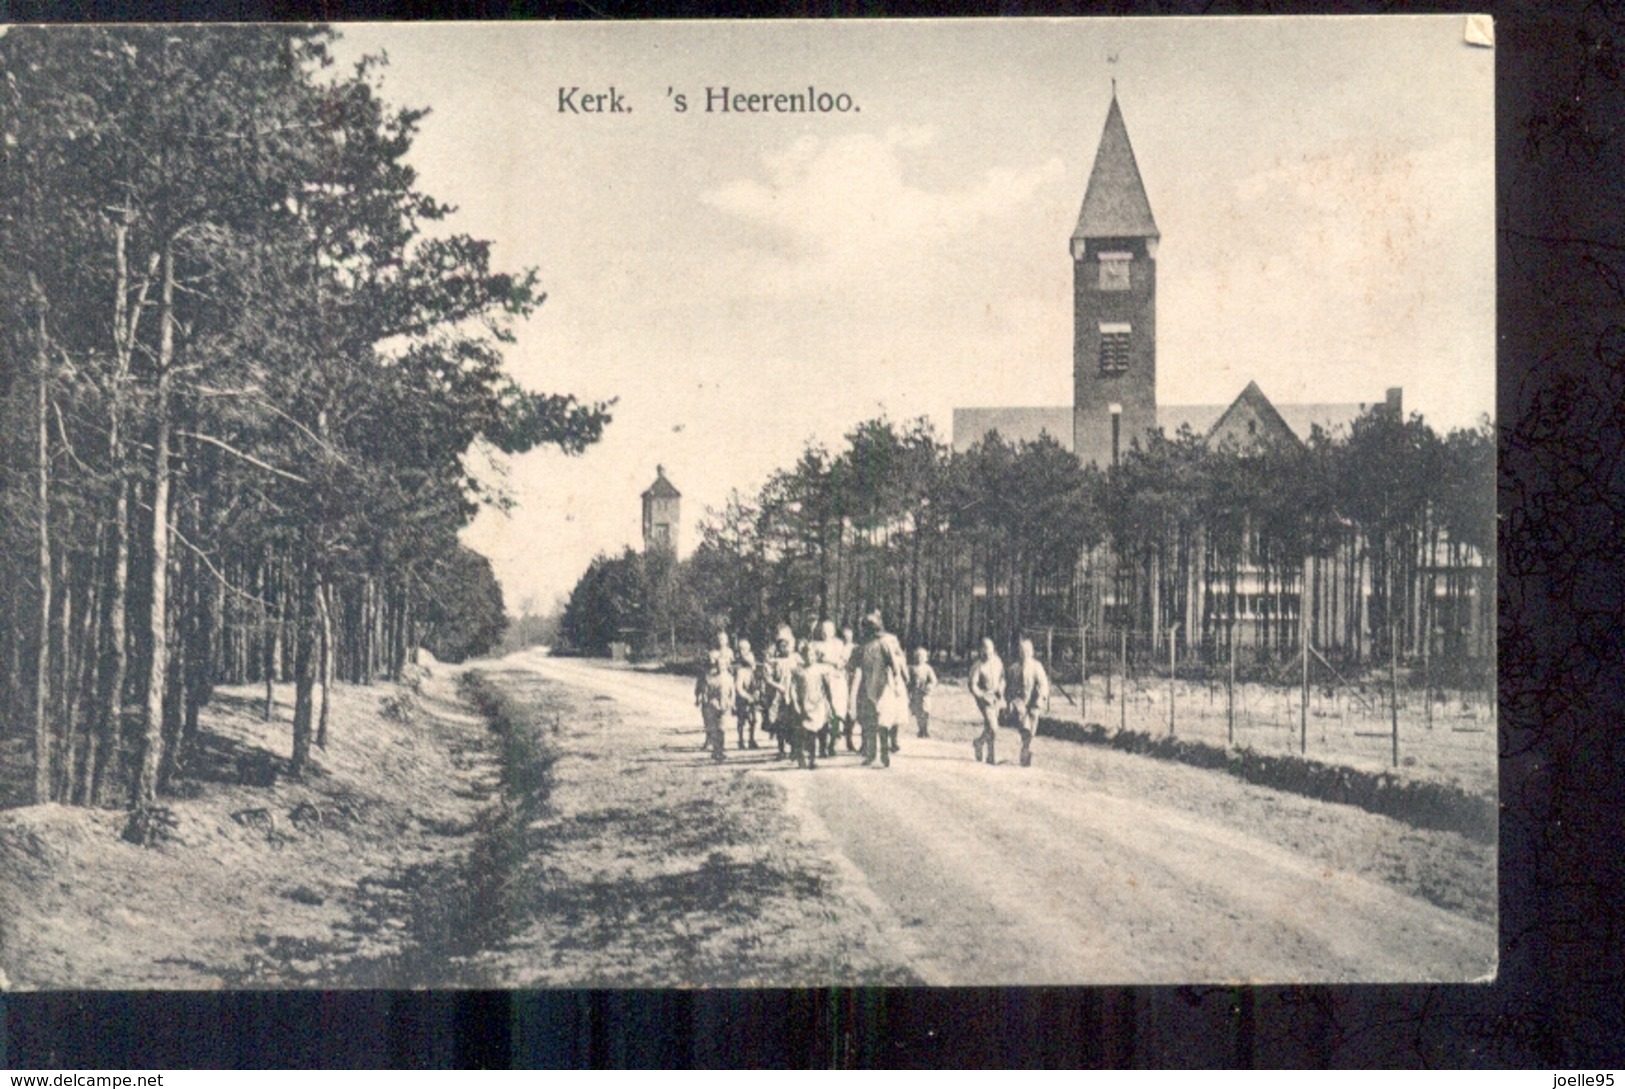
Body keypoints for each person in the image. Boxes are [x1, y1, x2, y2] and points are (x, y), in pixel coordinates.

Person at [852, 610, 908, 768]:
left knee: (882, 721)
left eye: (871, 627)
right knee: (869, 721)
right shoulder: (863, 646)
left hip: (883, 685)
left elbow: (894, 664)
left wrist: (897, 681)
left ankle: (884, 752)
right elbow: (854, 664)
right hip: (866, 684)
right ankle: (871, 754)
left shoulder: (884, 643)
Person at [1004, 638, 1050, 767]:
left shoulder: (1036, 667)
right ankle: (1026, 747)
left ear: (1031, 652)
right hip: (1019, 702)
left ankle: (1026, 749)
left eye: (1027, 651)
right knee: (1024, 725)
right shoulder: (1014, 668)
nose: (1024, 654)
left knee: (1033, 722)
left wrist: (1041, 698)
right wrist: (1009, 702)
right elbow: (1008, 688)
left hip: (1034, 701)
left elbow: (1043, 684)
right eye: (1021, 651)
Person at [787, 642, 833, 770]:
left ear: (816, 656)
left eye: (812, 654)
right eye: (807, 655)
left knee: (817, 731)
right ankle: (805, 758)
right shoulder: (798, 671)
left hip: (818, 704)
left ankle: (815, 757)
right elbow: (793, 688)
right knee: (806, 732)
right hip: (804, 705)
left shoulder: (820, 670)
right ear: (802, 656)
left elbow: (827, 688)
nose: (810, 657)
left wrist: (829, 703)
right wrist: (795, 702)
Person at [758, 627, 796, 760]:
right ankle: (781, 749)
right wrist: (778, 686)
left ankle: (794, 749)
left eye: (787, 646)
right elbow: (767, 678)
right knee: (780, 723)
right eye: (781, 646)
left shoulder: (795, 659)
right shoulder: (772, 662)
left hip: (792, 695)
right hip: (777, 696)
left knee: (793, 722)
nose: (784, 649)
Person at [967, 637, 1005, 765]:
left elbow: (1003, 678)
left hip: (997, 697)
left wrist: (1001, 687)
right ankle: (991, 755)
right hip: (985, 699)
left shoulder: (998, 662)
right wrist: (981, 696)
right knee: (993, 727)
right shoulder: (977, 666)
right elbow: (972, 685)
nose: (987, 654)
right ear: (980, 651)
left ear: (993, 649)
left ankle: (980, 744)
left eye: (990, 651)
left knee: (990, 726)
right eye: (985, 651)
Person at [812, 620, 847, 758]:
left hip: (836, 681)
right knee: (822, 713)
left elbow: (843, 661)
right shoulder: (814, 645)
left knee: (837, 713)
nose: (826, 632)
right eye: (823, 629)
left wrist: (833, 662)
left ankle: (832, 744)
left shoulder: (838, 644)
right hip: (819, 680)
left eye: (829, 629)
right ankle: (822, 746)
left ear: (833, 631)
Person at [694, 647, 735, 763]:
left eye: (723, 665)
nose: (720, 667)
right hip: (712, 706)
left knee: (722, 729)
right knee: (714, 729)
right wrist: (704, 700)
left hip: (725, 705)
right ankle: (716, 750)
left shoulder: (730, 678)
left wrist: (732, 703)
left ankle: (720, 751)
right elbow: (704, 691)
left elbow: (733, 692)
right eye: (718, 664)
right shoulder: (708, 677)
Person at [732, 638, 760, 750]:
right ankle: (741, 740)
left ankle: (752, 739)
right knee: (741, 719)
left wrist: (756, 693)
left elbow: (758, 681)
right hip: (741, 696)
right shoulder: (738, 668)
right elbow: (737, 686)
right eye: (740, 649)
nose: (742, 651)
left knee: (754, 718)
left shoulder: (753, 667)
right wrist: (746, 696)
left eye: (744, 649)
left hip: (752, 695)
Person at [906, 647, 938, 739]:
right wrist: (908, 691)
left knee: (925, 711)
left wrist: (929, 686)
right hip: (915, 694)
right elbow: (908, 681)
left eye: (921, 656)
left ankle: (925, 729)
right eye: (917, 656)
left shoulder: (927, 669)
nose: (919, 658)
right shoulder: (911, 668)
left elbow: (934, 680)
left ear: (926, 658)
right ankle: (920, 729)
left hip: (925, 694)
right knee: (918, 712)